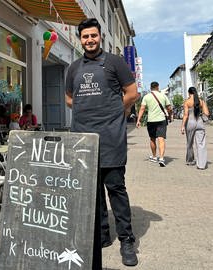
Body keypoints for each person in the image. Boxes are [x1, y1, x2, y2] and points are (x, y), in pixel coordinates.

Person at [65, 18, 139, 267]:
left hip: (111, 139)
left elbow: (132, 93)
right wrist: (88, 110)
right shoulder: (74, 68)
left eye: (93, 36)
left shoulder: (115, 62)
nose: (90, 40)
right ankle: (102, 235)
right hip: (83, 141)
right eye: (85, 36)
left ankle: (127, 240)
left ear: (100, 37)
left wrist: (116, 113)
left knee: (116, 190)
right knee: (92, 193)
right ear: (80, 39)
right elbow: (68, 99)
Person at [136, 81, 172, 167]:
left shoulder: (146, 97)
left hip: (151, 121)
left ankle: (155, 156)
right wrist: (170, 116)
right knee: (161, 139)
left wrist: (138, 120)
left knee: (152, 139)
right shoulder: (163, 96)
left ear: (150, 87)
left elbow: (142, 109)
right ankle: (162, 158)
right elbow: (169, 108)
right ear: (158, 87)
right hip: (161, 120)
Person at [180, 87, 209, 169]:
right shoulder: (201, 101)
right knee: (201, 144)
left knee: (189, 143)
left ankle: (190, 160)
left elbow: (185, 115)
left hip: (190, 123)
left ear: (189, 93)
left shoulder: (187, 102)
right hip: (199, 123)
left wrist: (182, 126)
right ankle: (201, 165)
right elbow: (207, 113)